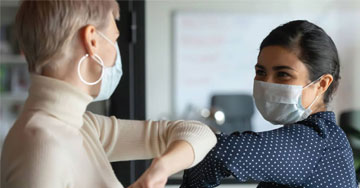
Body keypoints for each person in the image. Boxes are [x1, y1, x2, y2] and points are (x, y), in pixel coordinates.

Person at [0, 1, 217, 188]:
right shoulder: (41, 145)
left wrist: (161, 168)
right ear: (92, 41)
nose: (116, 52)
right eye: (114, 39)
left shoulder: (82, 126)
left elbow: (199, 133)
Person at [181, 20, 358, 187]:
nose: (267, 84)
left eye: (283, 74)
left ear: (321, 84)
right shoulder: (322, 138)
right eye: (261, 71)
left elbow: (219, 153)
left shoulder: (317, 140)